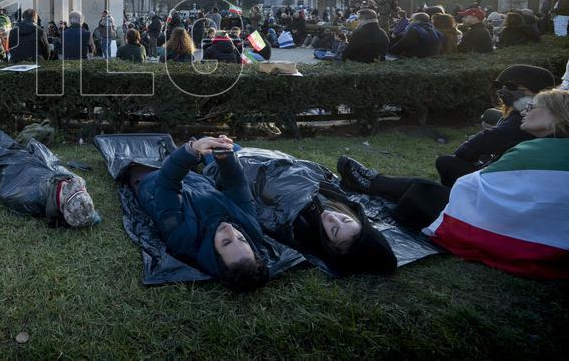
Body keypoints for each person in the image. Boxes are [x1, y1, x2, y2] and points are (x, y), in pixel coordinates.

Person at [340, 89, 569, 277]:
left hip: (510, 228)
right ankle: (372, 181)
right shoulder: (551, 148)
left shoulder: (538, 150)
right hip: (531, 229)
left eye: (533, 107)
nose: (525, 111)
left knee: (424, 192)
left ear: (556, 115)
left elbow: (478, 184)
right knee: (432, 188)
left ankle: (371, 182)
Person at [216, 148, 397, 275]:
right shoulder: (339, 199)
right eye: (346, 220)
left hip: (243, 170)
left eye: (333, 230)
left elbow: (256, 205)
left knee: (215, 152)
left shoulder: (298, 225)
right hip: (265, 159)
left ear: (327, 242)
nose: (333, 218)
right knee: (230, 147)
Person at [124, 135, 269, 291]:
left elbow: (167, 184)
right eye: (241, 239)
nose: (230, 230)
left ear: (213, 255)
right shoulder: (249, 228)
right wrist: (225, 156)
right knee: (202, 148)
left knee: (137, 157)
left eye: (226, 242)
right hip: (195, 181)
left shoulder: (183, 238)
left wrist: (190, 151)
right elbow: (237, 184)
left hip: (153, 181)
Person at [434, 65, 555, 187]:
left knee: (445, 163)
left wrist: (466, 152)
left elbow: (490, 138)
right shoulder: (522, 112)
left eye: (511, 86)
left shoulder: (529, 118)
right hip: (507, 174)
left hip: (506, 181)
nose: (502, 90)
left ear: (539, 93)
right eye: (498, 85)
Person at [0, 125, 99, 228]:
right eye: (77, 186)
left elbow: (3, 183)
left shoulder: (29, 199)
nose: (70, 181)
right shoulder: (70, 179)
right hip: (21, 156)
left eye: (71, 187)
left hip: (8, 160)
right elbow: (49, 159)